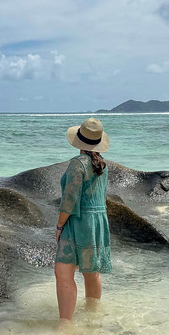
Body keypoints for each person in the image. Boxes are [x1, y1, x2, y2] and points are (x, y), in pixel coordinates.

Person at [54, 117, 112, 321]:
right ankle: (93, 316)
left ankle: (65, 325)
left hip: (78, 221)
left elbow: (70, 201)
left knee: (63, 273)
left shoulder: (77, 164)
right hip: (97, 222)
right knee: (92, 271)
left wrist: (60, 226)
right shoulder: (102, 165)